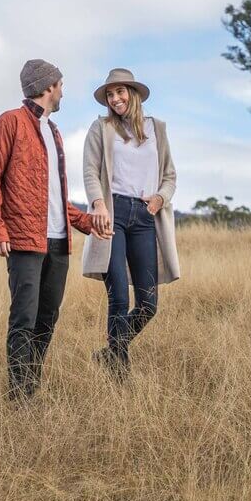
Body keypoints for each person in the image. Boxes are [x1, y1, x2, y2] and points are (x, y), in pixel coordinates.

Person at [0, 59, 109, 400]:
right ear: (48, 87)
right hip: (23, 239)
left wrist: (86, 223)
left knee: (47, 318)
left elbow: (54, 197)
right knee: (24, 318)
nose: (63, 90)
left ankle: (31, 385)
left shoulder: (53, 132)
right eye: (61, 84)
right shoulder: (9, 123)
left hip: (58, 241)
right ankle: (19, 397)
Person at [82, 67, 180, 381]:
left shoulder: (157, 129)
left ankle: (110, 351)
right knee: (120, 298)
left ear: (133, 94)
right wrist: (98, 204)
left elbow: (170, 176)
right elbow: (90, 172)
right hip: (113, 214)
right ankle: (119, 374)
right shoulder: (101, 128)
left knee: (148, 303)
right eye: (110, 95)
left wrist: (159, 199)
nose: (115, 99)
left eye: (120, 92)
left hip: (145, 216)